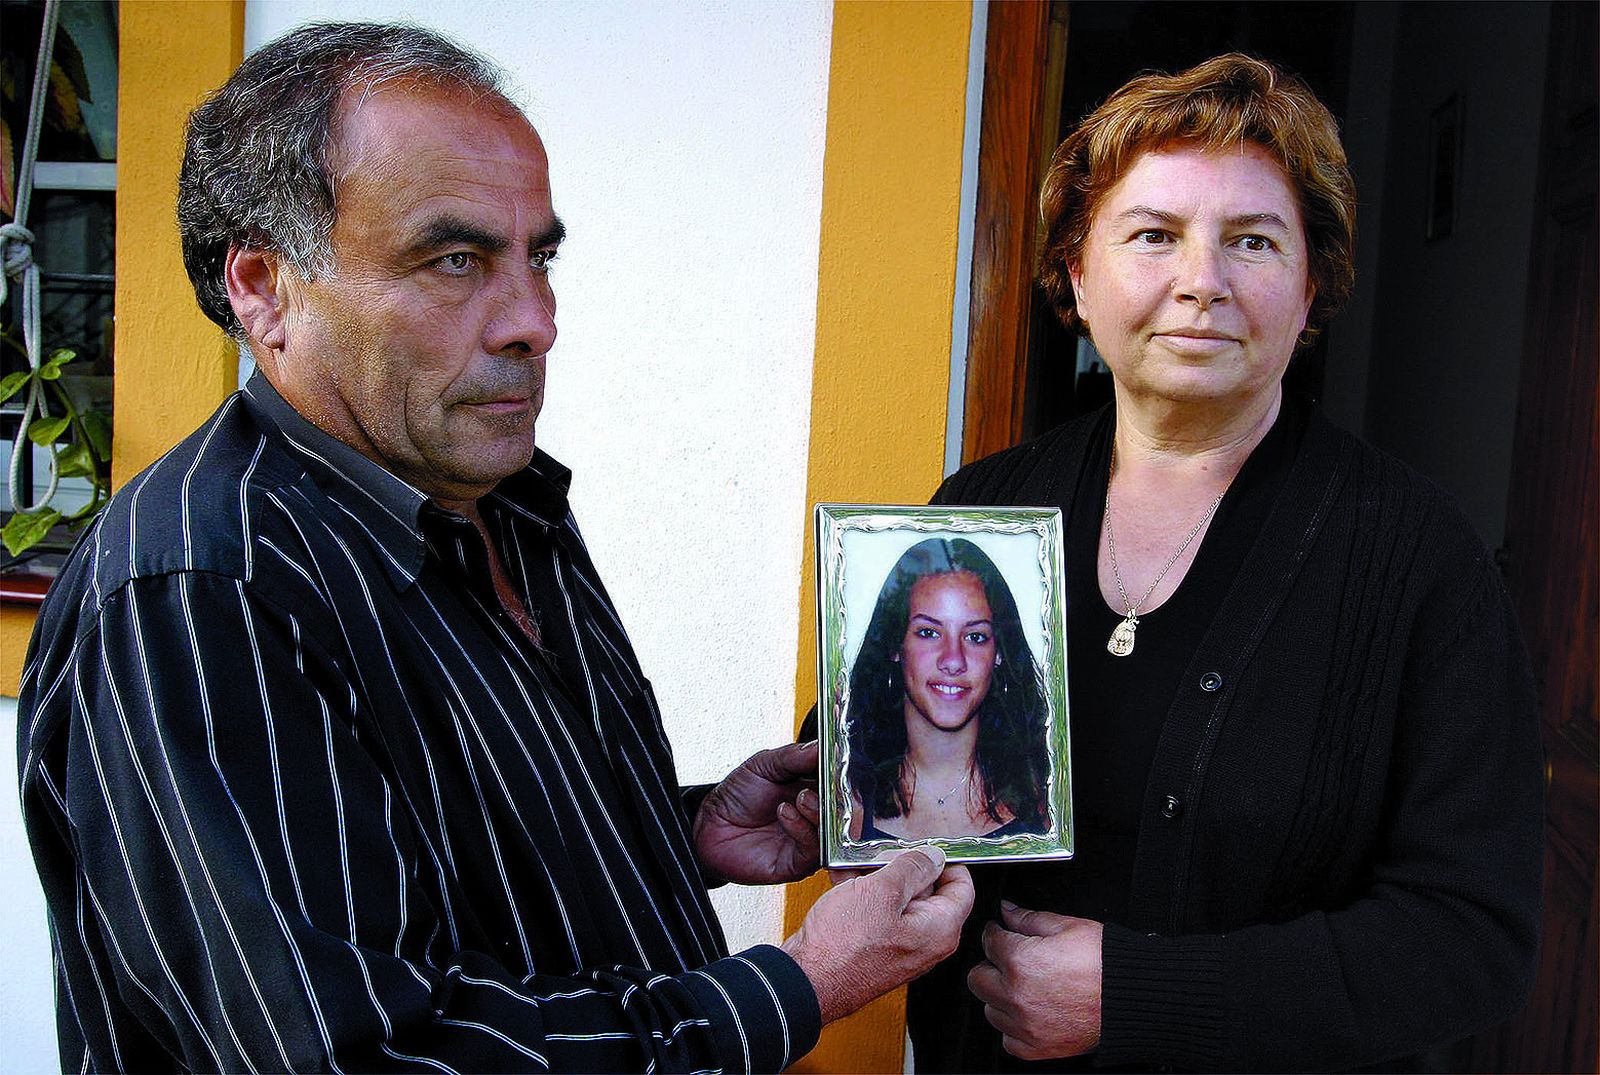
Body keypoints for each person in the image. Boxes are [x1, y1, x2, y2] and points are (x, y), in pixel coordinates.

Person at [16, 22, 974, 1073]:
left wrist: (680, 830)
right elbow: (365, 1054)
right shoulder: (201, 586)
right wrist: (800, 981)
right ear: (264, 286)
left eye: (539, 256)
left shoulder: (506, 496)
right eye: (453, 258)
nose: (533, 319)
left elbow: (446, 862)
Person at [906, 54, 1543, 1072]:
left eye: (1251, 240)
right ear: (1076, 271)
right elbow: (894, 786)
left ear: (1311, 288)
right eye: (1153, 235)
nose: (1200, 282)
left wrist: (1143, 995)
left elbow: (1474, 939)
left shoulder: (1419, 562)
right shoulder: (975, 512)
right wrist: (813, 800)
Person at [845, 537, 1050, 842]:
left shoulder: (1048, 794)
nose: (953, 661)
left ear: (999, 653)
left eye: (976, 637)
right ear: (895, 644)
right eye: (928, 633)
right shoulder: (846, 799)